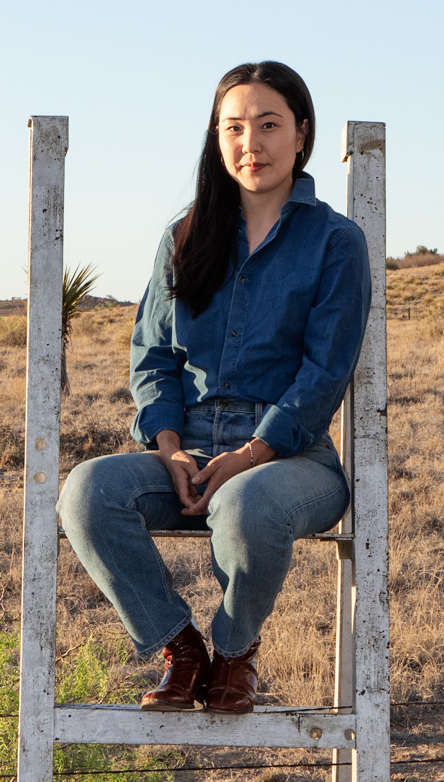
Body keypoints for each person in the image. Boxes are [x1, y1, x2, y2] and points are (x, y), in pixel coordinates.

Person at [57, 61, 371, 715]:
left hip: (290, 459)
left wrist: (250, 454)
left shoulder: (335, 242)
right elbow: (152, 357)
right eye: (233, 127)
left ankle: (234, 655)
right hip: (186, 451)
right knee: (86, 492)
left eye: (267, 125)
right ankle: (183, 649)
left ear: (300, 134)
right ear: (215, 136)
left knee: (248, 505)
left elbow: (324, 375)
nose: (249, 143)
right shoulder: (183, 235)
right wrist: (169, 447)